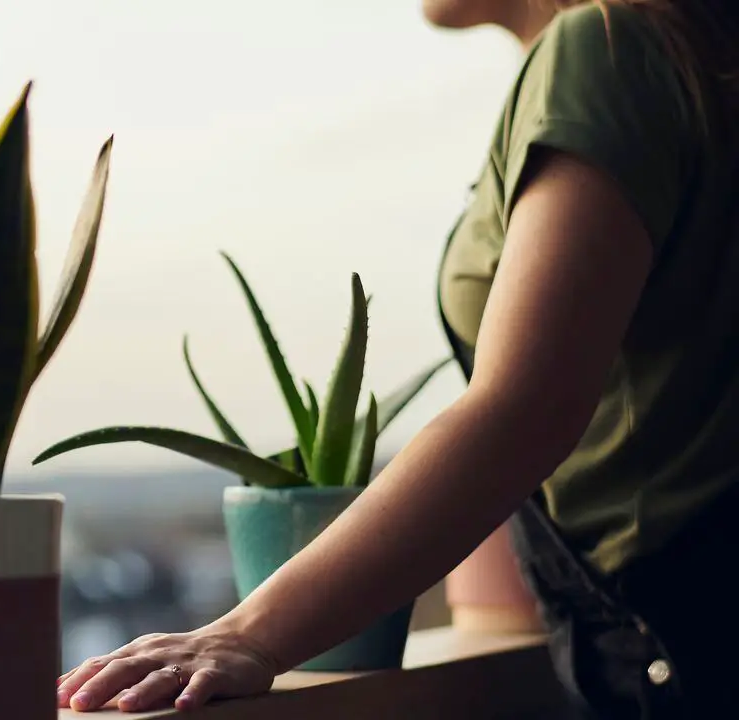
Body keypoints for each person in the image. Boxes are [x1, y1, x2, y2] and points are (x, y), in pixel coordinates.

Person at [55, 1, 739, 717]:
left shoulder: (601, 49)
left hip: (681, 649)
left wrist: (250, 633)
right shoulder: (677, 50)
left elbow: (525, 411)